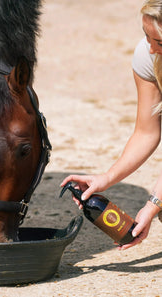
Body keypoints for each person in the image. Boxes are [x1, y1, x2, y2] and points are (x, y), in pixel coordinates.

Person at [61, 0, 162, 250]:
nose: (150, 48)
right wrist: (105, 178)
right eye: (145, 35)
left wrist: (152, 205)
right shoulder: (148, 55)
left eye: (159, 42)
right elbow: (146, 132)